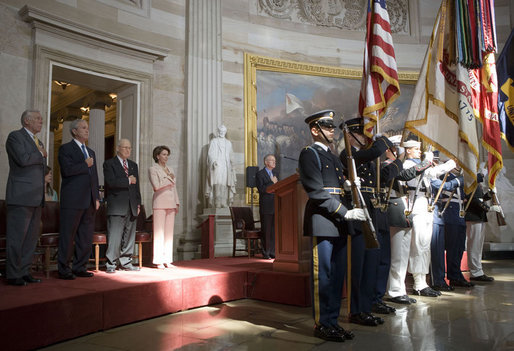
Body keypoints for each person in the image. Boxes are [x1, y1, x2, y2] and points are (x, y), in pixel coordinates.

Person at [299, 110, 365, 342]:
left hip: (339, 222)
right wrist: (346, 212)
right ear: (315, 130)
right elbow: (316, 192)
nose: (331, 131)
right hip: (323, 220)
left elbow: (336, 186)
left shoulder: (334, 157)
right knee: (323, 275)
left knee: (337, 276)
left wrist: (348, 186)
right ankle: (322, 324)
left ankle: (333, 322)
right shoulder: (309, 154)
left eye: (331, 128)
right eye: (326, 127)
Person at [339, 118, 400, 325]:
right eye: (362, 134)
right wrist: (382, 140)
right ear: (350, 135)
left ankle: (366, 307)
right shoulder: (348, 154)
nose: (366, 137)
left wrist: (395, 158)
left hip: (373, 210)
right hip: (359, 213)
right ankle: (356, 310)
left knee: (371, 264)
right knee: (359, 265)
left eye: (367, 134)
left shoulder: (368, 157)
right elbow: (371, 153)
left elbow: (383, 174)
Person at [403, 141, 456, 297]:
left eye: (420, 149)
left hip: (425, 203)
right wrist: (447, 164)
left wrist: (450, 164)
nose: (420, 152)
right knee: (418, 244)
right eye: (416, 149)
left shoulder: (422, 165)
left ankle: (423, 282)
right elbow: (429, 173)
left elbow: (432, 173)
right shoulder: (407, 165)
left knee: (425, 245)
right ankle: (418, 283)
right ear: (407, 151)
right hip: (415, 203)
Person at [385, 140, 432, 304]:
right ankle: (394, 290)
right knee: (397, 255)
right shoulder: (388, 165)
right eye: (397, 150)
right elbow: (406, 175)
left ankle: (399, 289)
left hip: (404, 209)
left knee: (403, 254)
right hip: (394, 209)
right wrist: (426, 163)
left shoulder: (396, 165)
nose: (399, 153)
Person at [5, 109, 47, 286]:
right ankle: (13, 274)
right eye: (37, 119)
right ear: (27, 121)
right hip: (21, 196)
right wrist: (40, 154)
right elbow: (22, 159)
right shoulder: (15, 137)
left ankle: (25, 271)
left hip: (36, 196)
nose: (41, 121)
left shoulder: (39, 142)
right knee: (17, 238)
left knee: (30, 239)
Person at [57, 119, 100, 280]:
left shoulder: (91, 152)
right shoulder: (65, 149)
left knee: (85, 236)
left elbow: (94, 177)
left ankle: (80, 267)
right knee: (68, 236)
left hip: (89, 200)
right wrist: (85, 164)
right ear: (74, 131)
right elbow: (67, 171)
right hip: (72, 200)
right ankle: (64, 269)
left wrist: (96, 197)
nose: (87, 130)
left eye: (87, 128)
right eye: (83, 128)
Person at [103, 138, 142, 273]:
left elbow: (137, 187)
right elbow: (111, 183)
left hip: (132, 204)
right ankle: (111, 264)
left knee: (129, 235)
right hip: (117, 205)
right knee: (114, 236)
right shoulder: (109, 164)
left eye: (130, 148)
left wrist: (138, 203)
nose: (128, 150)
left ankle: (126, 262)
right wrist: (127, 180)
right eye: (125, 147)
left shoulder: (133, 165)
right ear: (118, 148)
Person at [430, 168, 462, 292]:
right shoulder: (441, 174)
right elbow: (443, 186)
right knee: (433, 250)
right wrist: (458, 181)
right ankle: (435, 280)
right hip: (433, 211)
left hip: (442, 213)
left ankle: (444, 278)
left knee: (454, 248)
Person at [149, 146, 180, 269]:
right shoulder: (153, 169)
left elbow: (174, 187)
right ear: (157, 156)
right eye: (164, 154)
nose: (166, 157)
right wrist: (169, 178)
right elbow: (156, 186)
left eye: (167, 155)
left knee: (168, 233)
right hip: (160, 203)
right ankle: (158, 260)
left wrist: (177, 202)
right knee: (159, 232)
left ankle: (167, 259)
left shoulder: (170, 169)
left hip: (171, 203)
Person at [465, 172, 496, 282]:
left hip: (479, 217)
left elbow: (480, 198)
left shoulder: (476, 185)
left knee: (478, 246)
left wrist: (489, 194)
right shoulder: (469, 184)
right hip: (473, 216)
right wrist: (488, 209)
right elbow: (473, 200)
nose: (482, 175)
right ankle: (475, 272)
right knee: (474, 245)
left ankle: (478, 270)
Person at [205, 125, 236, 208]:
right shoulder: (214, 141)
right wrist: (214, 161)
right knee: (217, 183)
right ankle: (217, 201)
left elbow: (231, 155)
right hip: (217, 164)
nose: (222, 133)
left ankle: (224, 201)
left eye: (224, 132)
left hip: (226, 165)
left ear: (225, 132)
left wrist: (232, 165)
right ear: (218, 132)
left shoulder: (228, 143)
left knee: (225, 183)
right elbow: (210, 153)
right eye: (220, 131)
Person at [256, 154, 278, 259]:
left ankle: (273, 252)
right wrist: (271, 182)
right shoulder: (260, 174)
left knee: (274, 231)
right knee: (266, 231)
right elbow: (261, 189)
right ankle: (265, 253)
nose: (274, 162)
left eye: (275, 160)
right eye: (272, 160)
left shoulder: (275, 173)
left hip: (275, 206)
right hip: (266, 207)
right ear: (266, 162)